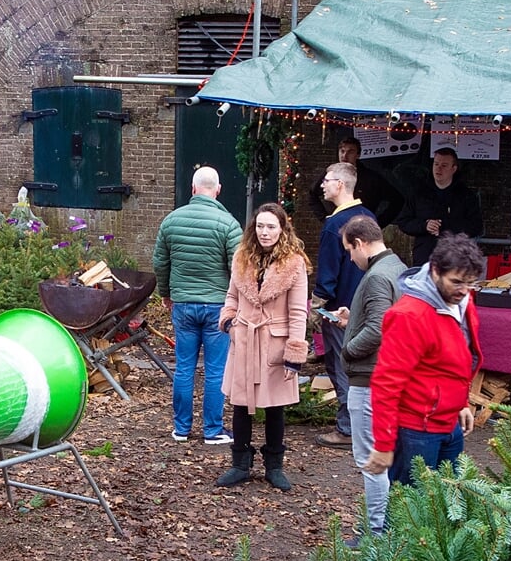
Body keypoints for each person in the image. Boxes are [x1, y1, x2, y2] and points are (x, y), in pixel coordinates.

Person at [362, 234, 485, 486]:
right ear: (436, 271)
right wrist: (384, 444)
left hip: (449, 422)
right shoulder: (409, 316)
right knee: (410, 512)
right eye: (457, 282)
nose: (463, 291)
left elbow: (460, 356)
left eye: (471, 284)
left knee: (444, 509)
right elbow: (386, 382)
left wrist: (462, 403)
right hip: (416, 430)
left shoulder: (462, 300)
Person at [216, 203, 310, 492]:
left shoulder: (293, 264)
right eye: (260, 226)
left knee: (275, 407)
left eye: (271, 226)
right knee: (241, 404)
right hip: (244, 339)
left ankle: (274, 466)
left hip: (274, 342)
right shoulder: (242, 258)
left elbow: (298, 312)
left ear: (282, 229)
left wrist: (294, 353)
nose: (265, 232)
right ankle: (240, 464)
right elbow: (231, 297)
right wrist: (230, 322)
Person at [152, 166, 242, 444]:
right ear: (218, 190)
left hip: (183, 304)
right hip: (217, 306)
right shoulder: (228, 224)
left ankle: (181, 429)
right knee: (215, 370)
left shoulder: (171, 221)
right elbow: (238, 269)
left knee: (184, 367)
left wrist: (166, 293)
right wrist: (235, 303)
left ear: (193, 189)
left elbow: (160, 263)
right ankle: (213, 431)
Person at [330, 215, 404, 539]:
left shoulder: (375, 277)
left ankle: (376, 531)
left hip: (368, 378)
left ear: (360, 243)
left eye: (349, 251)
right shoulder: (397, 267)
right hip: (387, 375)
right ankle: (387, 525)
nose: (350, 257)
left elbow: (378, 328)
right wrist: (352, 319)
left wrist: (347, 350)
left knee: (370, 459)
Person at [312, 162, 373, 447]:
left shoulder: (334, 225)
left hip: (338, 310)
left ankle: (347, 428)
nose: (322, 185)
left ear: (340, 184)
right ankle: (362, 423)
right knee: (362, 369)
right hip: (367, 305)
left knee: (340, 367)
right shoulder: (369, 218)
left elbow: (327, 273)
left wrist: (316, 306)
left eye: (326, 180)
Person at [396, 146, 484, 267]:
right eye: (436, 164)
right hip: (425, 258)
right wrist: (424, 225)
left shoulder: (466, 196)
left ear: (454, 168)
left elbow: (476, 226)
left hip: (454, 259)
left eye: (444, 165)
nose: (438, 168)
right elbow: (404, 221)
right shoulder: (419, 193)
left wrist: (444, 228)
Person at [311, 137, 403, 228]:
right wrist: (325, 218)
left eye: (350, 152)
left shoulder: (371, 178)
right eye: (342, 151)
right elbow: (312, 194)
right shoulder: (331, 175)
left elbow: (397, 199)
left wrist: (378, 223)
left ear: (358, 155)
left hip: (363, 229)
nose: (345, 155)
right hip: (337, 226)